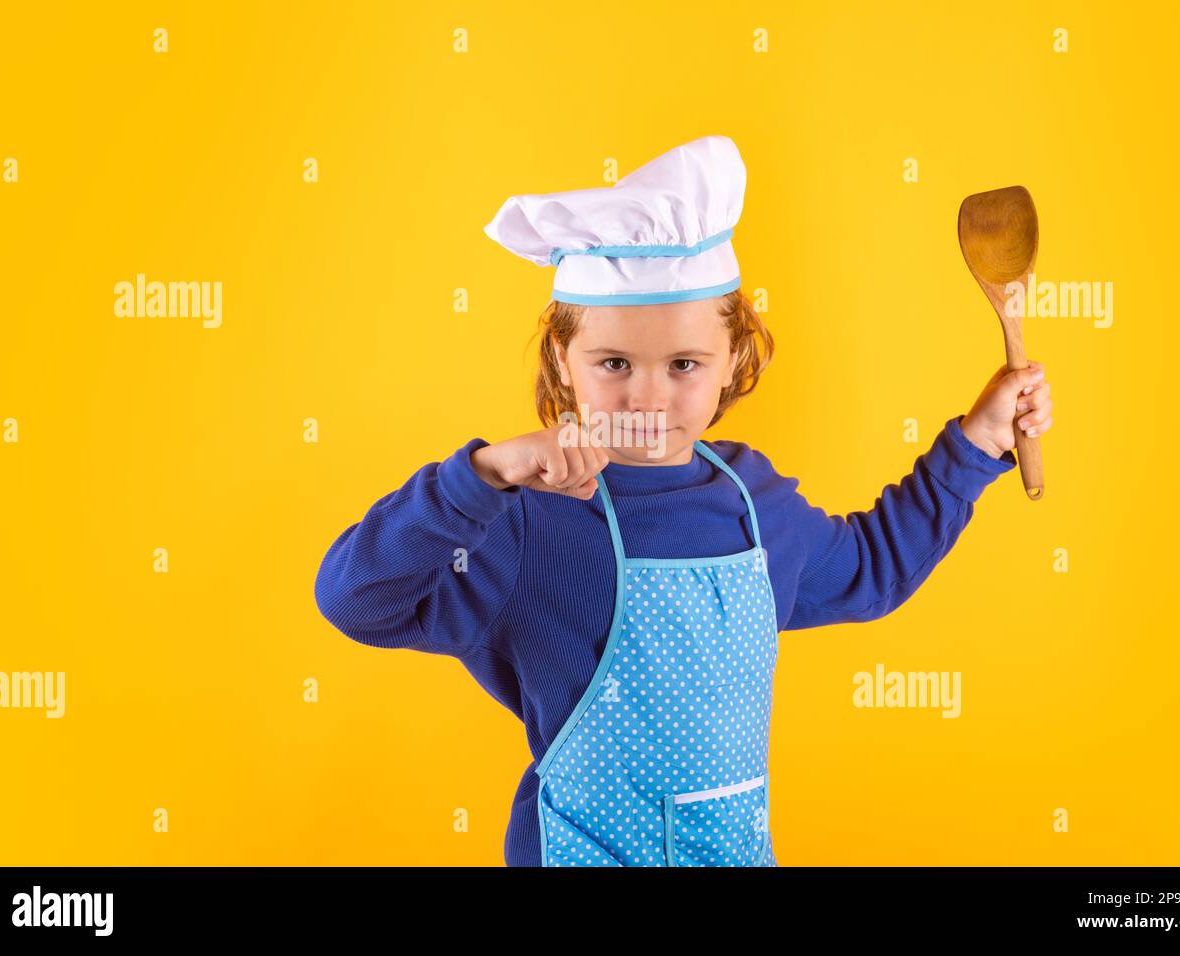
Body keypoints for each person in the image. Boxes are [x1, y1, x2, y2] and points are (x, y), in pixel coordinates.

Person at [314, 135, 1054, 866]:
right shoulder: (523, 523)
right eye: (613, 363)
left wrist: (978, 440)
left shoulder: (751, 502)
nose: (648, 394)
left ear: (731, 359)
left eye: (683, 364)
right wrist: (480, 475)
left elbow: (870, 570)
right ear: (561, 363)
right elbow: (357, 599)